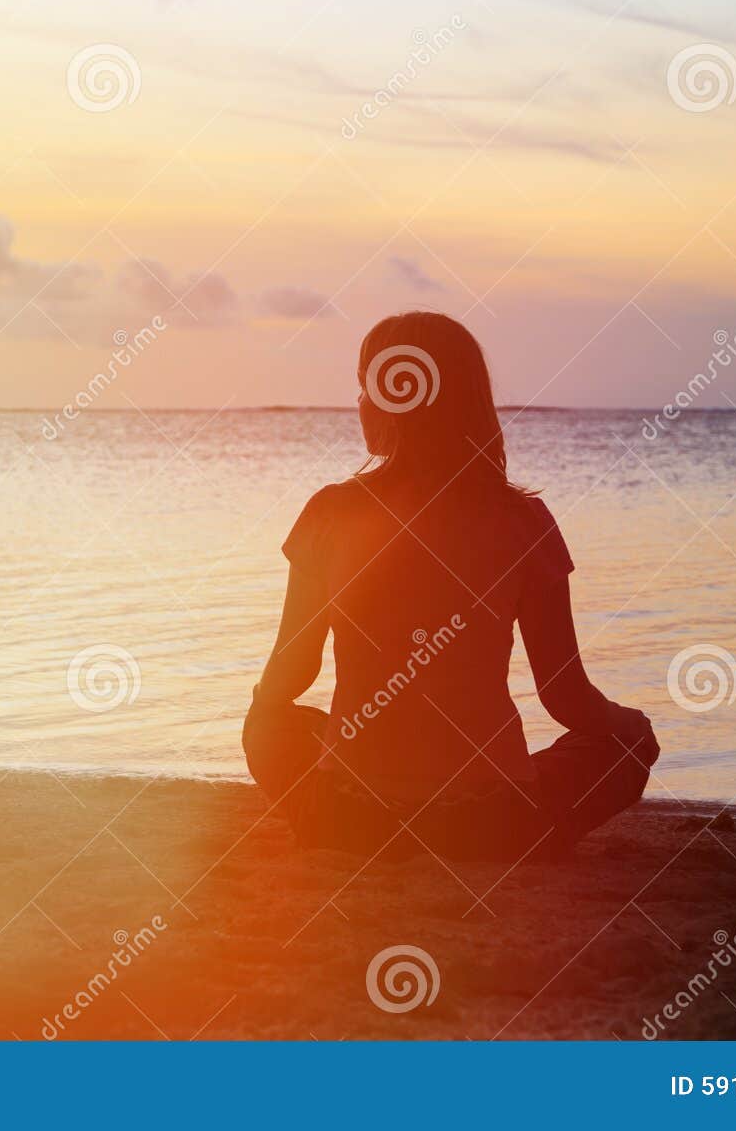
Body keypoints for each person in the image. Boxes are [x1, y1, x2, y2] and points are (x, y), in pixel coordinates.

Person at [243, 311, 659, 862]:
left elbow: (291, 675)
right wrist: (632, 726)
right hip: (492, 824)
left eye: (366, 389)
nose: (361, 405)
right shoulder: (523, 522)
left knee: (271, 724)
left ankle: (363, 830)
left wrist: (278, 718)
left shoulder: (330, 513)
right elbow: (565, 698)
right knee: (620, 750)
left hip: (347, 816)